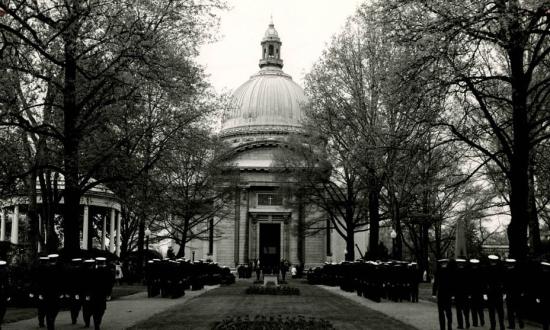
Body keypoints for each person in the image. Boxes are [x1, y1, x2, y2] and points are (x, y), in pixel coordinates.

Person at [90, 257, 114, 330]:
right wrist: (109, 293)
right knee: (101, 309)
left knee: (95, 309)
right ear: (104, 263)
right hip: (103, 293)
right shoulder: (108, 271)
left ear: (97, 262)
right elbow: (110, 283)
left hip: (94, 293)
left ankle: (96, 322)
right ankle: (98, 321)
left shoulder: (93, 271)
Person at [433, 258, 455, 330]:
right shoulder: (450, 272)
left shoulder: (438, 272)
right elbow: (452, 284)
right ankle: (449, 326)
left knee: (441, 313)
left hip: (441, 294)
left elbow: (435, 283)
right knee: (448, 312)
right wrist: (453, 294)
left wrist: (434, 293)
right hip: (448, 294)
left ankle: (443, 327)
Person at [43, 254, 63, 330]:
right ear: (56, 260)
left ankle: (50, 320)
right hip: (56, 293)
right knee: (55, 308)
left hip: (47, 293)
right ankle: (51, 319)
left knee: (48, 308)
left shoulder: (45, 269)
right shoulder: (59, 269)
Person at [503, 258, 524, 329]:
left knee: (510, 311)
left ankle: (512, 325)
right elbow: (521, 283)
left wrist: (504, 293)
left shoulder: (506, 272)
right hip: (517, 293)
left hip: (510, 294)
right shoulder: (518, 272)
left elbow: (505, 284)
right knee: (518, 309)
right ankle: (521, 323)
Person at [486, 255, 505, 330]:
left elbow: (486, 281)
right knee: (499, 311)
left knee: (492, 311)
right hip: (497, 292)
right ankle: (501, 325)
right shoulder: (500, 269)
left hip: (492, 292)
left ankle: (494, 326)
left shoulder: (488, 269)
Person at [30, 256, 49, 328]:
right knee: (46, 307)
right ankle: (46, 320)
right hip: (47, 291)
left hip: (39, 291)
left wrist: (32, 291)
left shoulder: (36, 269)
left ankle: (41, 321)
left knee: (41, 308)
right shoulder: (48, 269)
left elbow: (34, 281)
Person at [468, 258, 485, 327]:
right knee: (479, 309)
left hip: (474, 293)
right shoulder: (481, 272)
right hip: (479, 293)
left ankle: (476, 322)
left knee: (474, 309)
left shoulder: (470, 272)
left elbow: (469, 284)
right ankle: (481, 321)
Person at [454, 259, 470, 329]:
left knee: (459, 310)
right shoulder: (467, 272)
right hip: (465, 294)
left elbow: (454, 284)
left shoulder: (455, 272)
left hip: (458, 294)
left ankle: (461, 325)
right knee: (466, 310)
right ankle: (467, 323)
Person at [67, 258, 83, 325]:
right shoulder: (81, 271)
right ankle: (75, 316)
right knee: (77, 305)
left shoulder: (70, 270)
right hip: (78, 290)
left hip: (71, 290)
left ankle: (73, 317)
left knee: (72, 305)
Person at [0, 260, 10, 328]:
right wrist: (8, 295)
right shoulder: (5, 272)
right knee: (2, 308)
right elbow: (7, 284)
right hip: (2, 292)